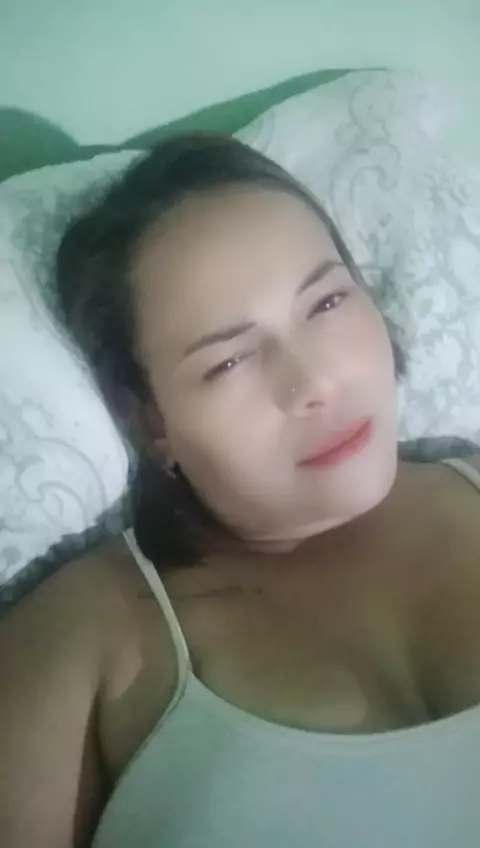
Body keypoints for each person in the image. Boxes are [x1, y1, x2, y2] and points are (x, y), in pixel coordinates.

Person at [1, 133, 480, 848]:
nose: (315, 383)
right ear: (150, 420)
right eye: (227, 361)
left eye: (327, 301)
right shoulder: (82, 636)